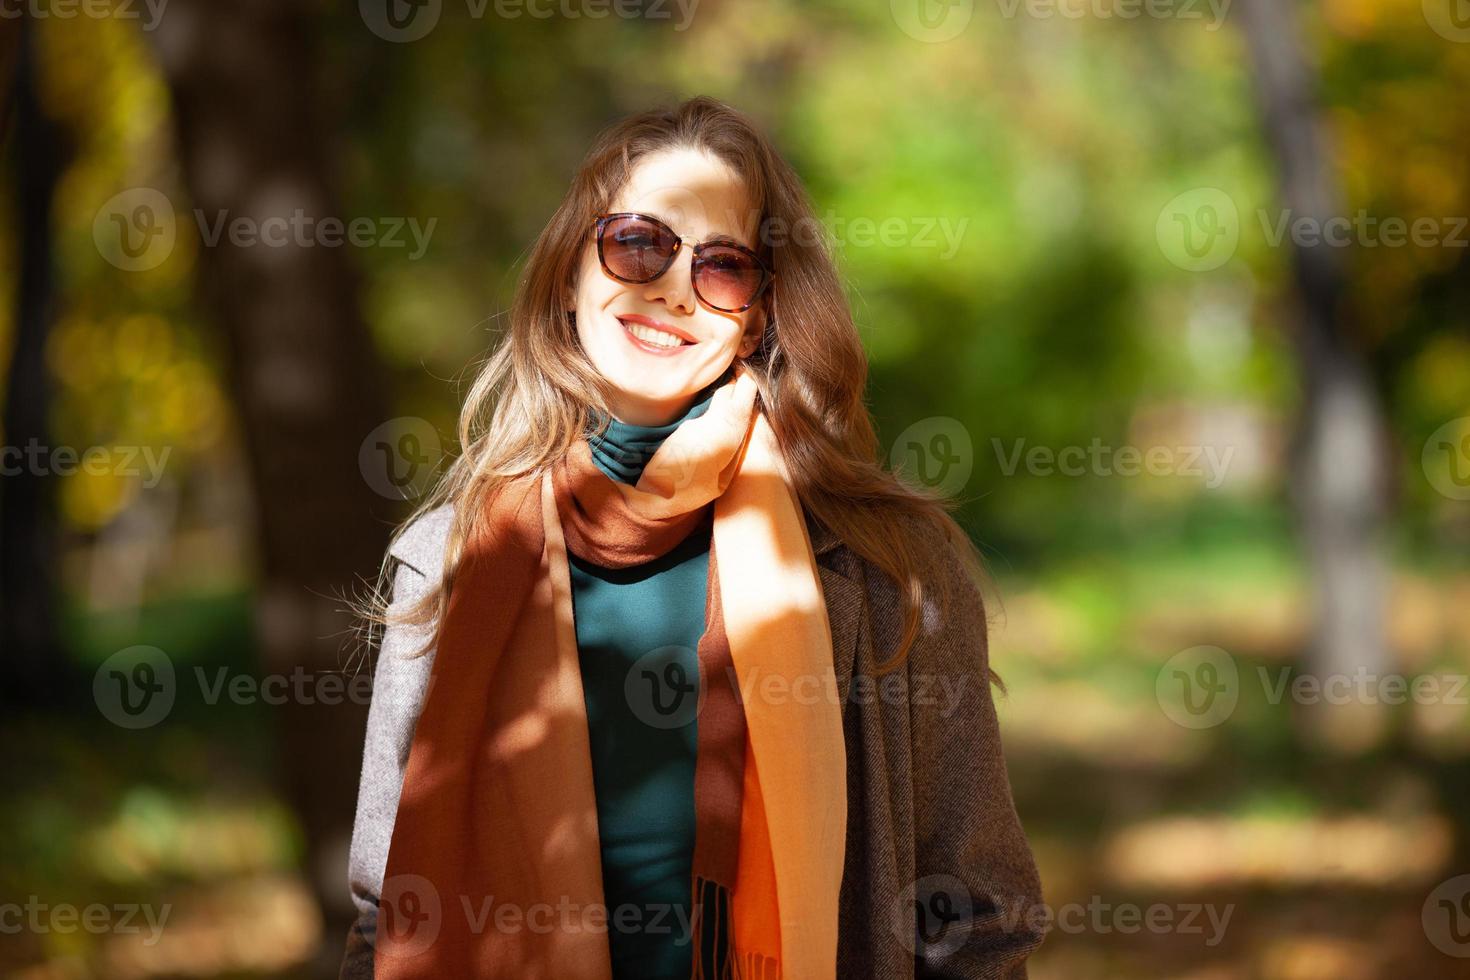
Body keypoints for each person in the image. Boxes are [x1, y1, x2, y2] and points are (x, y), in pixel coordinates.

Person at [339, 95, 1044, 980]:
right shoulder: (449, 561)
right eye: (638, 242)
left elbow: (973, 918)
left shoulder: (884, 569)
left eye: (723, 265)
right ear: (569, 273)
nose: (672, 286)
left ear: (754, 314)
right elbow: (386, 911)